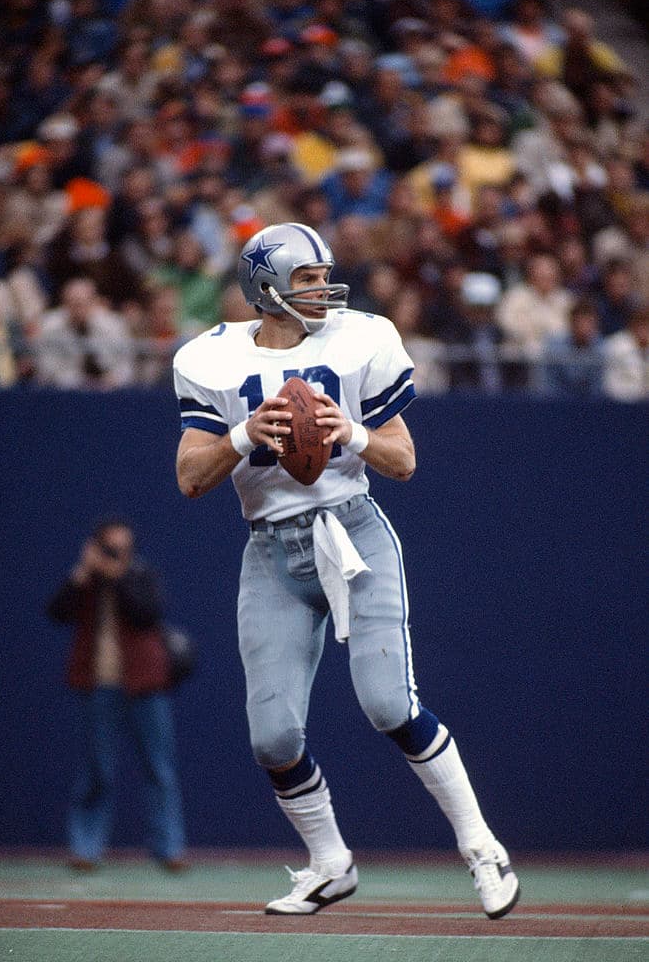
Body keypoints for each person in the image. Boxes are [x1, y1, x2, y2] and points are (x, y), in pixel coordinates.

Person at [172, 222, 519, 918]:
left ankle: (481, 846)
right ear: (266, 288)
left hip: (351, 533)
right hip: (270, 548)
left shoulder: (362, 337)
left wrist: (348, 430)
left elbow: (403, 460)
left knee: (389, 703)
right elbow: (188, 477)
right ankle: (330, 863)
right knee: (271, 737)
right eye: (306, 279)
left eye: (323, 275)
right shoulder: (208, 359)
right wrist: (244, 434)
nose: (323, 289)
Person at [46, 518, 187, 871]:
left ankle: (169, 849)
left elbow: (147, 614)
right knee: (97, 769)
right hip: (100, 685)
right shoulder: (87, 582)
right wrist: (81, 574)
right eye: (110, 548)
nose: (117, 555)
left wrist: (117, 574)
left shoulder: (140, 574)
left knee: (159, 767)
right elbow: (56, 612)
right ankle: (85, 848)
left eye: (123, 548)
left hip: (145, 684)